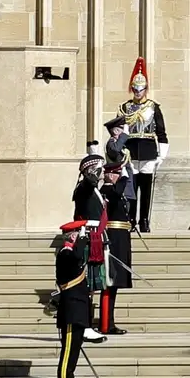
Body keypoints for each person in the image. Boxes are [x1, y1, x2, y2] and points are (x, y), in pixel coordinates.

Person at [117, 57, 169, 232]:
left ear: (145, 89)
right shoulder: (125, 108)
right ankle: (131, 219)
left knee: (146, 188)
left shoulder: (153, 107)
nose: (138, 92)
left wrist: (162, 155)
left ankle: (144, 220)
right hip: (130, 151)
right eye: (135, 89)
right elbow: (119, 131)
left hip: (148, 151)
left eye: (141, 89)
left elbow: (161, 132)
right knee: (131, 188)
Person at [53, 221, 92, 378]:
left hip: (77, 314)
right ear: (73, 235)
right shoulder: (65, 254)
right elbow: (76, 256)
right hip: (71, 314)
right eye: (79, 233)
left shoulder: (72, 253)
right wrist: (82, 239)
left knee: (71, 362)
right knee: (67, 363)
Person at [71, 143, 108, 343]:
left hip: (96, 238)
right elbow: (88, 183)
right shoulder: (84, 188)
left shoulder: (96, 191)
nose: (104, 172)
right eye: (101, 169)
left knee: (91, 288)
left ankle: (87, 325)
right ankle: (84, 326)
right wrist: (92, 170)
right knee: (86, 286)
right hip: (88, 240)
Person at [99, 161, 131, 335]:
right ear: (111, 175)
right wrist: (124, 178)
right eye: (118, 174)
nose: (121, 177)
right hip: (114, 239)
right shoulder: (107, 190)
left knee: (114, 285)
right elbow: (117, 192)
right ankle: (106, 324)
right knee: (110, 283)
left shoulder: (113, 190)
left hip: (120, 239)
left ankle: (108, 322)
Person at [104, 116, 136, 228]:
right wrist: (124, 135)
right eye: (122, 128)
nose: (124, 131)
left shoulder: (121, 143)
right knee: (122, 205)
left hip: (126, 179)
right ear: (116, 131)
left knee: (129, 203)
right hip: (118, 180)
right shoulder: (111, 143)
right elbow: (115, 150)